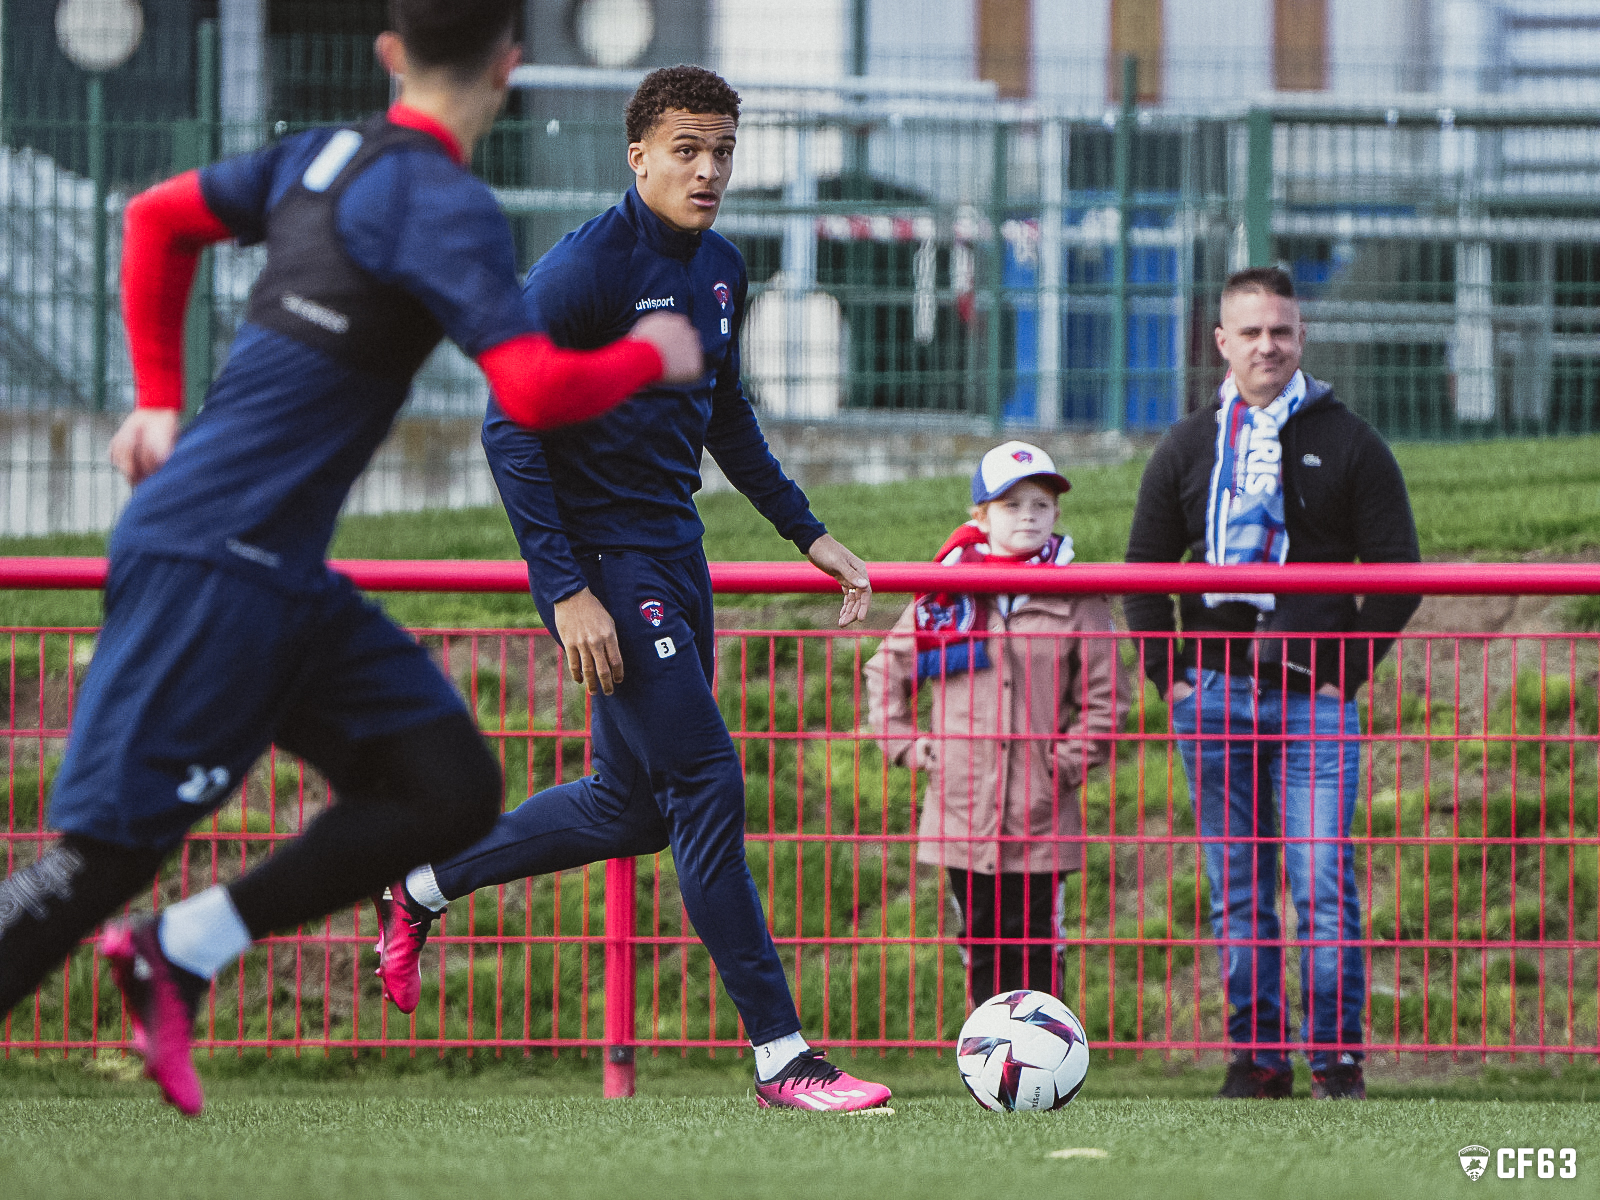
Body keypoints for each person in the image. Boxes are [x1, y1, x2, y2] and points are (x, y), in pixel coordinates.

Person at [0, 0, 703, 1116]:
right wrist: (645, 354)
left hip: (273, 570)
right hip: (210, 560)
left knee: (449, 786)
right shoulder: (444, 201)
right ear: (509, 66)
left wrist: (157, 397)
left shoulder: (318, 155)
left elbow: (156, 219)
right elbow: (528, 387)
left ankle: (181, 949)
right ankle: (151, 938)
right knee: (97, 862)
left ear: (390, 55)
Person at [370, 65, 891, 1113]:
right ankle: (784, 1058)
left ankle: (416, 887)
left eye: (723, 152)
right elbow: (508, 427)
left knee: (627, 808)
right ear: (637, 153)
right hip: (608, 571)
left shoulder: (723, 269)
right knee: (704, 784)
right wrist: (566, 591)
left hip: (675, 560)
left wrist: (808, 531)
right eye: (687, 149)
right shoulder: (583, 273)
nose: (708, 170)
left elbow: (724, 411)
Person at [1123, 266, 1421, 1101]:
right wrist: (1169, 677)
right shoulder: (1188, 445)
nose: (1267, 346)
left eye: (1281, 331)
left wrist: (1348, 676)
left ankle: (1336, 1062)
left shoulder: (1351, 440)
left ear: (1301, 338)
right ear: (1221, 342)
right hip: (1211, 699)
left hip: (1315, 705)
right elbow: (1144, 571)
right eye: (1250, 332)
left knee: (1323, 885)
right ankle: (1256, 1062)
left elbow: (1400, 573)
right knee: (1238, 892)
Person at [863, 442, 1124, 1009]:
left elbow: (1106, 699)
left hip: (1042, 804)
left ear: (1057, 514)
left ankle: (1047, 1061)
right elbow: (887, 669)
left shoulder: (1080, 598)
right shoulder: (943, 595)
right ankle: (989, 1060)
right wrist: (906, 744)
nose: (1028, 516)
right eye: (1011, 505)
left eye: (1041, 504)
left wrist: (1069, 761)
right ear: (980, 517)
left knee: (1038, 942)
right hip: (962, 802)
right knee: (980, 939)